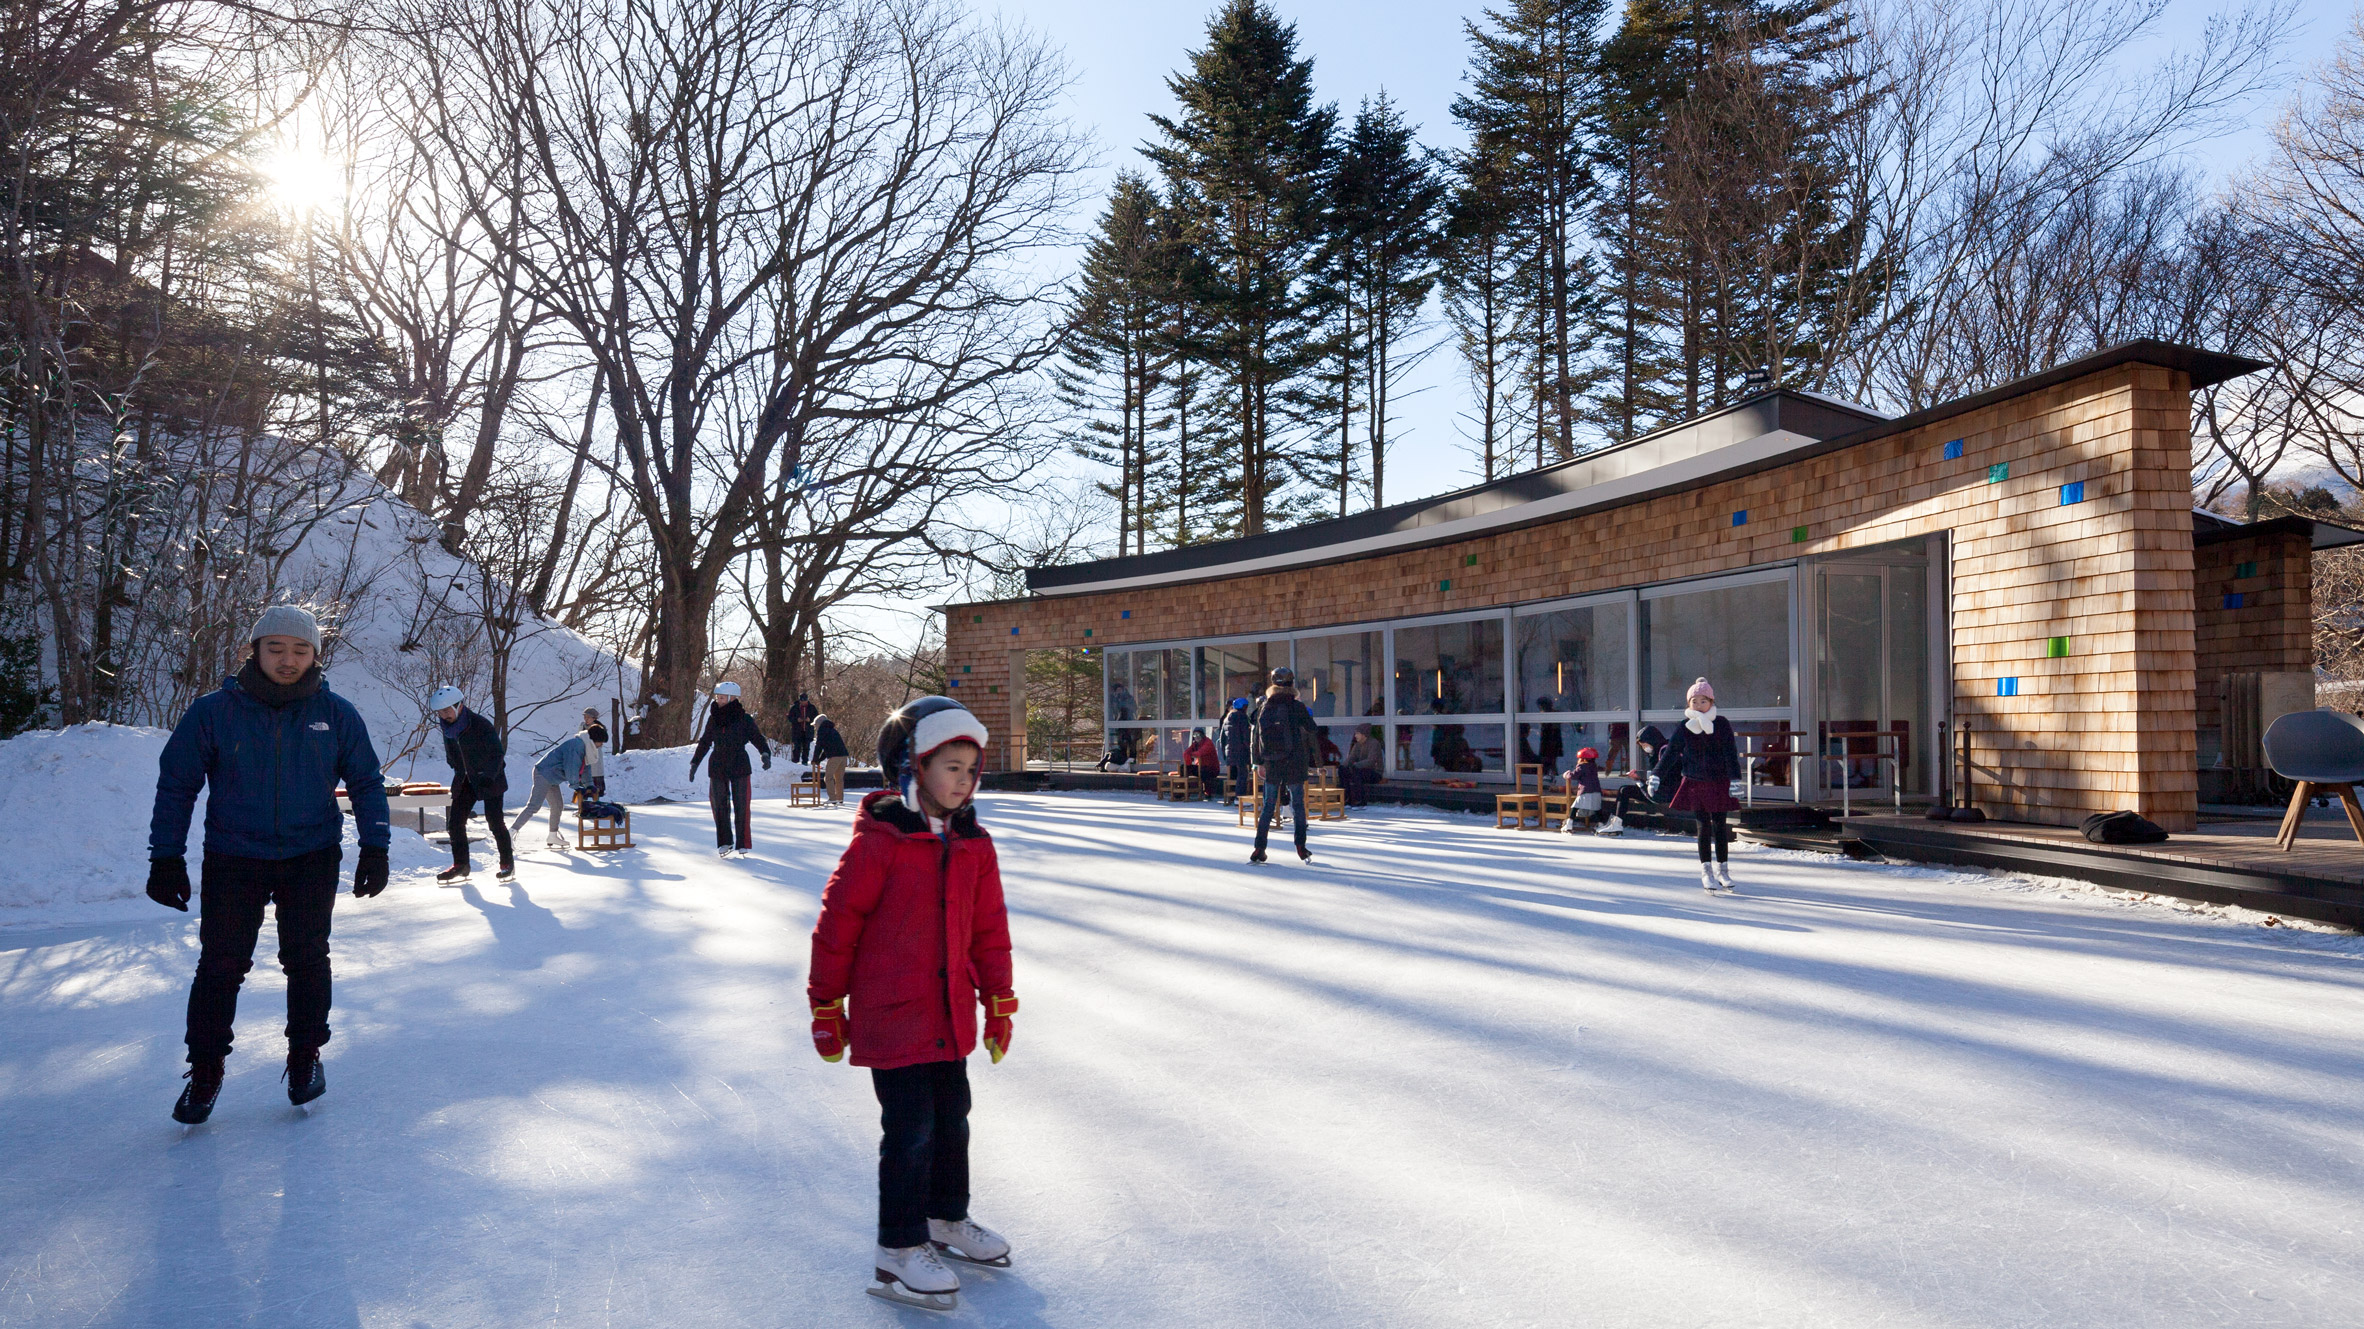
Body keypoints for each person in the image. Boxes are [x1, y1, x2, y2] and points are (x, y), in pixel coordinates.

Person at [808, 696, 1017, 1312]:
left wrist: (998, 1001)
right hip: (891, 1015)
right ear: (912, 767)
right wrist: (826, 1006)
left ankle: (946, 1219)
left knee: (953, 1118)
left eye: (971, 769)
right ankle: (898, 1249)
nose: (964, 780)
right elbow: (836, 925)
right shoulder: (880, 843)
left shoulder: (975, 844)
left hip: (949, 1016)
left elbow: (989, 930)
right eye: (951, 766)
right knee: (909, 1131)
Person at [147, 606, 392, 1124]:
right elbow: (177, 785)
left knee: (307, 959)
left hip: (311, 855)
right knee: (221, 965)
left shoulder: (337, 713)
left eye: (300, 650)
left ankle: (305, 1057)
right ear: (253, 650)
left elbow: (366, 781)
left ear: (315, 656)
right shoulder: (213, 712)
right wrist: (166, 856)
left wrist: (376, 845)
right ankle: (206, 1069)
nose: (288, 660)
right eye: (276, 648)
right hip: (235, 856)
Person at [1656, 679, 1742, 892]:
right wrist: (1656, 774)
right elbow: (1671, 752)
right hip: (1695, 781)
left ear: (1711, 701)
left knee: (1721, 825)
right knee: (1703, 826)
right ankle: (1706, 871)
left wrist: (1735, 779)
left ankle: (1723, 869)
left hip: (1719, 781)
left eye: (1703, 700)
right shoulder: (1686, 727)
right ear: (1689, 704)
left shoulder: (1721, 723)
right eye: (1694, 701)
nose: (1699, 705)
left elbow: (1730, 752)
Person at [431, 684, 512, 882]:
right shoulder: (448, 728)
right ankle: (461, 865)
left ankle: (507, 863)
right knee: (455, 822)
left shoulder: (480, 724)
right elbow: (453, 753)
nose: (443, 715)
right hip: (465, 779)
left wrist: (487, 775)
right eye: (440, 712)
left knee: (495, 821)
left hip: (489, 778)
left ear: (459, 706)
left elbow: (497, 754)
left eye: (446, 710)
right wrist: (456, 766)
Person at [1248, 666, 1323, 864]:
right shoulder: (1295, 705)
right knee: (1298, 805)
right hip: (1294, 761)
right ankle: (1300, 846)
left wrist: (1258, 762)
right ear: (1291, 683)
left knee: (1268, 806)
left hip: (1272, 762)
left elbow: (1256, 736)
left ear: (1273, 684)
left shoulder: (1265, 705)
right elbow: (1311, 728)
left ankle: (1259, 848)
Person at [690, 681, 771, 858]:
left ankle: (743, 843)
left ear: (731, 698)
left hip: (739, 763)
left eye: (721, 697)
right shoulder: (714, 718)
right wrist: (695, 762)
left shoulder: (744, 719)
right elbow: (705, 741)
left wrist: (765, 753)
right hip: (718, 764)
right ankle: (724, 841)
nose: (718, 700)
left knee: (742, 805)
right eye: (717, 697)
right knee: (719, 805)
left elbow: (757, 738)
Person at [513, 721, 606, 849]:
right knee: (534, 805)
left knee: (557, 806)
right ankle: (511, 832)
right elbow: (571, 767)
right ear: (595, 740)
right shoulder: (576, 746)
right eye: (601, 742)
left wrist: (589, 784)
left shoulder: (585, 747)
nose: (601, 746)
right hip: (544, 773)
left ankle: (552, 835)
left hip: (552, 777)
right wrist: (576, 786)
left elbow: (585, 768)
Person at [1598, 724, 1668, 836]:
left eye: (1644, 744)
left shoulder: (1664, 752)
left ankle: (1616, 824)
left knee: (1625, 791)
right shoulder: (1656, 752)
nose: (1645, 748)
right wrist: (1641, 777)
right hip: (1658, 788)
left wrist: (1640, 778)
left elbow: (1663, 774)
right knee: (1623, 790)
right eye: (1642, 746)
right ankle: (1614, 822)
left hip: (1664, 791)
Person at [1560, 746, 1604, 833]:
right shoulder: (1594, 767)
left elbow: (1574, 776)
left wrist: (1566, 774)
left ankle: (1569, 824)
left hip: (1585, 791)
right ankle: (1601, 824)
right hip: (1596, 791)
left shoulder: (1582, 767)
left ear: (1583, 759)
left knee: (1575, 807)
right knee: (1597, 809)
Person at [812, 711, 851, 804]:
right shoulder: (832, 730)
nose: (815, 727)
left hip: (835, 757)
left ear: (819, 723)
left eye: (815, 725)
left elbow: (819, 746)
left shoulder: (822, 731)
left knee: (828, 778)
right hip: (843, 756)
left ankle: (832, 798)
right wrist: (819, 759)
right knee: (839, 778)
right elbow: (828, 748)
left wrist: (815, 759)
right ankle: (839, 798)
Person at [1220, 696, 1253, 804]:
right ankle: (1240, 798)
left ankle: (1237, 797)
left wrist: (1224, 753)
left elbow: (1222, 738)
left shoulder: (1227, 718)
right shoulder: (1242, 717)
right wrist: (1250, 749)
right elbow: (1246, 736)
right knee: (1243, 774)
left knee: (1239, 774)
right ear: (1244, 707)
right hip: (1241, 751)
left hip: (1230, 752)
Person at [1343, 724, 1383, 806]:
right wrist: (1343, 766)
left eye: (1357, 733)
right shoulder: (1357, 745)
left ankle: (1360, 801)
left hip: (1375, 772)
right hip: (1360, 769)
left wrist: (1356, 765)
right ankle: (1346, 799)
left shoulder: (1374, 743)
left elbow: (1371, 761)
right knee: (1343, 771)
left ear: (1364, 734)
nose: (1355, 736)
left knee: (1357, 773)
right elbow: (1351, 758)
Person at [1182, 726, 1220, 798]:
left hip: (1212, 769)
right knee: (1184, 768)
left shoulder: (1208, 743)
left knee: (1204, 771)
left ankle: (1208, 793)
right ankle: (1183, 790)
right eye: (1194, 735)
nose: (1196, 737)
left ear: (1202, 735)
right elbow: (1186, 752)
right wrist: (1188, 761)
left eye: (1198, 735)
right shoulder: (1195, 744)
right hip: (1201, 767)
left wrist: (1190, 755)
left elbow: (1200, 753)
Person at [789, 691, 821, 765]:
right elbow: (790, 717)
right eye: (802, 701)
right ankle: (795, 762)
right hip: (797, 731)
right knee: (797, 747)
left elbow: (817, 717)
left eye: (805, 701)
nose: (803, 702)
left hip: (808, 731)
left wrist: (810, 720)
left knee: (806, 747)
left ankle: (805, 762)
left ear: (807, 700)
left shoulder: (812, 708)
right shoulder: (794, 707)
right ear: (800, 701)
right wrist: (797, 720)